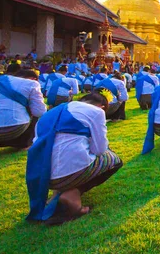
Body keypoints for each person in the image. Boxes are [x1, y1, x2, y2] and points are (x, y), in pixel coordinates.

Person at [25, 91, 123, 225]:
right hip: (69, 174)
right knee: (113, 159)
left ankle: (57, 193)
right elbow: (99, 149)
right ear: (102, 107)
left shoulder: (48, 114)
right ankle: (72, 194)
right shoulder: (96, 111)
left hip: (44, 178)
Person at [0, 66, 47, 160]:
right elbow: (40, 112)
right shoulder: (32, 84)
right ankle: (25, 143)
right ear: (34, 78)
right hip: (12, 129)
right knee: (33, 111)